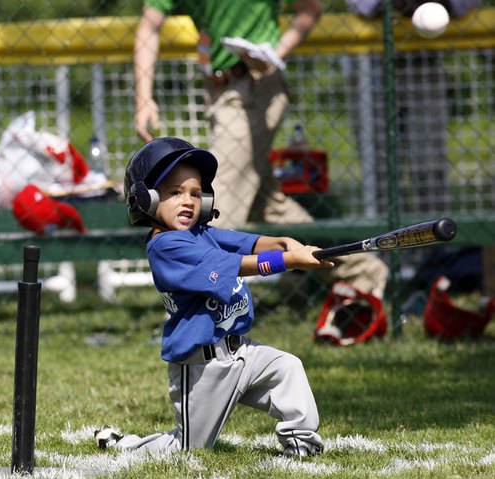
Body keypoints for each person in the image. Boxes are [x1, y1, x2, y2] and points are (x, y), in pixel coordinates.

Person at [134, 0, 389, 300]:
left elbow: (311, 8)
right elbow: (149, 25)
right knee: (268, 206)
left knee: (216, 200)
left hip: (258, 87)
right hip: (217, 89)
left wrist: (276, 55)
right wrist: (143, 99)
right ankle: (364, 272)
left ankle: (195, 308)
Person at [94, 137, 332, 456]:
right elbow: (238, 265)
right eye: (175, 193)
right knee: (188, 449)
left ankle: (300, 441)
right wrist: (288, 261)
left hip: (240, 351)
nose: (189, 201)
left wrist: (285, 243)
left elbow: (246, 243)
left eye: (195, 193)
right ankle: (125, 446)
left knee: (287, 367)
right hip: (201, 365)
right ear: (146, 199)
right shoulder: (166, 247)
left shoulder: (201, 233)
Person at [344, 0, 481, 216]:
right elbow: (361, 6)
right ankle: (386, 245)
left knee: (428, 164)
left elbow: (464, 4)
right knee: (380, 168)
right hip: (370, 66)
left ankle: (435, 242)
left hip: (425, 64)